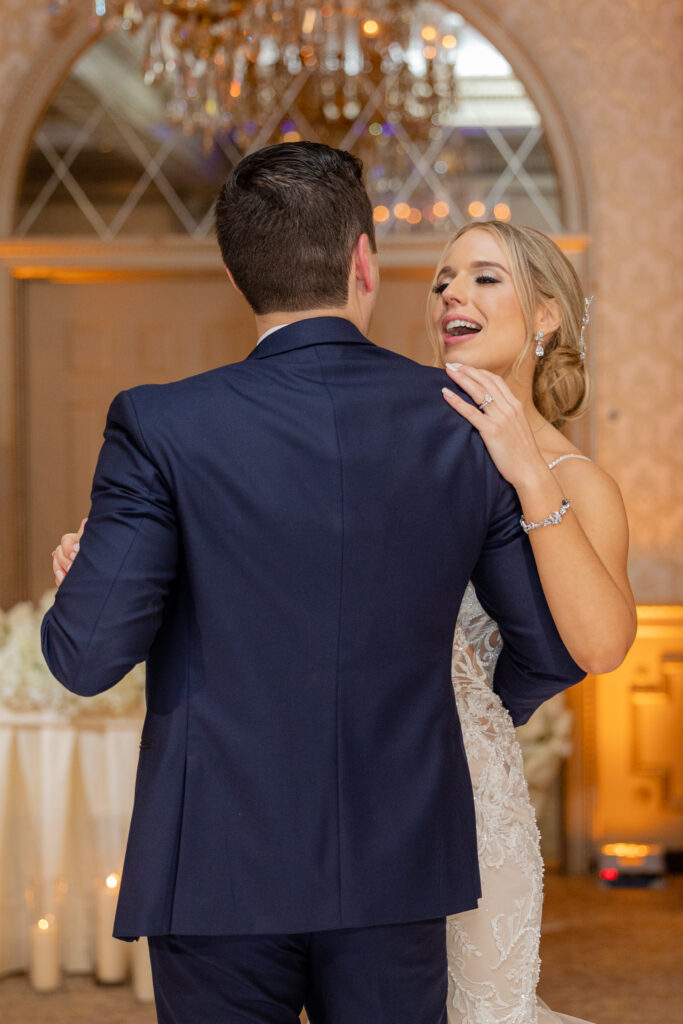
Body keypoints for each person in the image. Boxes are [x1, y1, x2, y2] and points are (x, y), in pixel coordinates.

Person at [43, 142, 584, 1024]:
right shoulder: (464, 423)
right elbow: (546, 650)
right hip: (401, 857)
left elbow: (87, 659)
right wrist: (454, 719)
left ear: (234, 273)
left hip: (215, 868)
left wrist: (94, 587)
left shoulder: (159, 422)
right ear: (363, 259)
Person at [430, 220, 636, 1023]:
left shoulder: (575, 480)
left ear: (545, 316)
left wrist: (524, 469)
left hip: (476, 800)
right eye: (445, 278)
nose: (451, 291)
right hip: (362, 785)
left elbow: (603, 644)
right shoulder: (403, 446)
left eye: (484, 277)